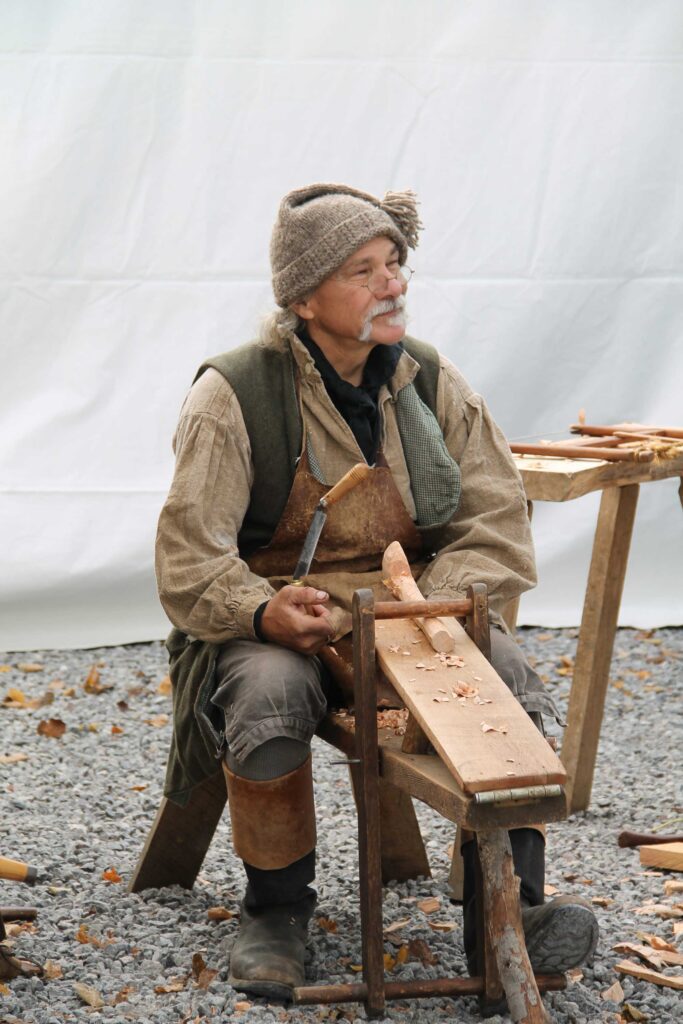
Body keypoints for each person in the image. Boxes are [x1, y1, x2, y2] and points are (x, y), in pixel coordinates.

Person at [155, 183, 598, 1000]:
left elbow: (496, 520)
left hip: (420, 611)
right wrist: (262, 609)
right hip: (289, 619)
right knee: (266, 696)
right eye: (362, 270)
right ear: (302, 298)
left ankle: (502, 913)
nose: (391, 283)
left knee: (509, 682)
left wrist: (430, 611)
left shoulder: (429, 381)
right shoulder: (237, 395)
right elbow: (189, 556)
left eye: (394, 263)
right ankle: (277, 912)